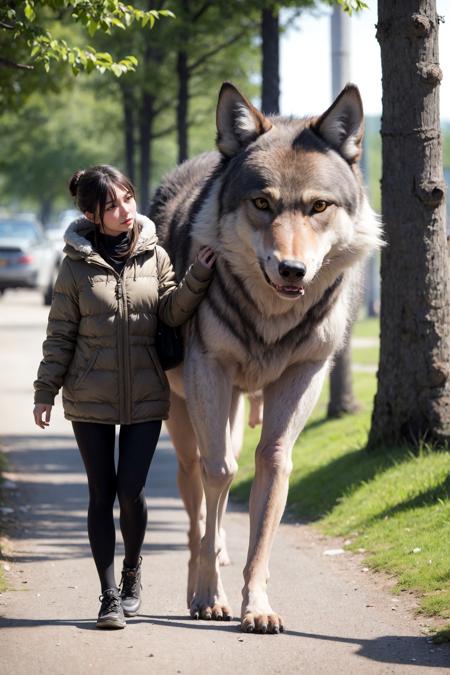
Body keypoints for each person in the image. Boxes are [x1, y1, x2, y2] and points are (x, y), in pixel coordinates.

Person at [33, 165, 216, 630]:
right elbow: (60, 334)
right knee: (102, 494)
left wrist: (197, 277)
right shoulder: (74, 267)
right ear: (93, 215)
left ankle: (133, 572)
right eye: (112, 205)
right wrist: (45, 391)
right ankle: (108, 594)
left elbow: (172, 311)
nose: (125, 210)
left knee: (131, 492)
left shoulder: (155, 256)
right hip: (89, 395)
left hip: (145, 395)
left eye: (128, 198)